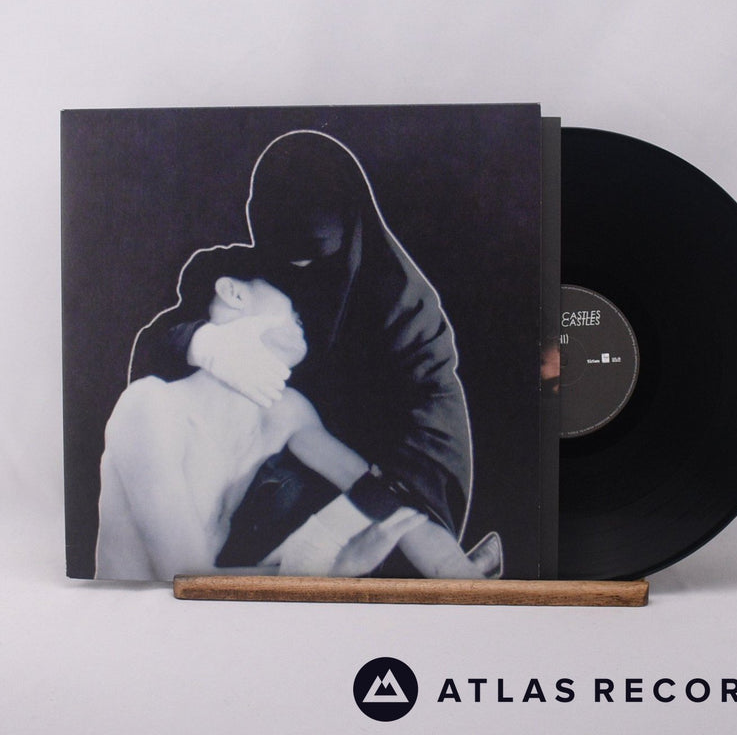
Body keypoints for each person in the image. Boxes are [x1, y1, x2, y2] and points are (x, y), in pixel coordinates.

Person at [129, 131, 479, 574]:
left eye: (318, 259)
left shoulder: (403, 307)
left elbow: (411, 459)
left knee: (385, 517)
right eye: (287, 262)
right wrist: (203, 343)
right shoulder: (242, 277)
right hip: (251, 461)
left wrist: (437, 553)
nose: (299, 282)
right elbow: (160, 340)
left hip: (389, 463)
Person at [96, 258, 493, 582]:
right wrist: (328, 570)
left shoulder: (284, 411)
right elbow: (183, 578)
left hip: (208, 627)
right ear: (234, 292)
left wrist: (456, 573)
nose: (304, 311)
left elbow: (382, 500)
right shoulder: (149, 407)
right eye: (288, 292)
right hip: (136, 636)